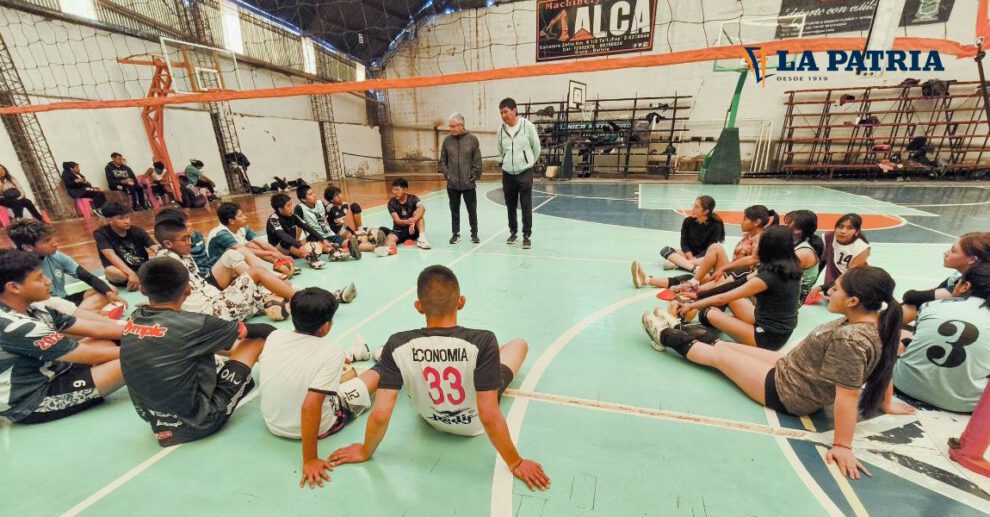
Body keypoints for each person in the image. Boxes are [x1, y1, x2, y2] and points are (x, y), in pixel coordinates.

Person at [644, 265, 914, 479]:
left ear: (853, 300)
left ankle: (665, 335)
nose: (830, 291)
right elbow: (885, 365)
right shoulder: (874, 323)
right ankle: (680, 330)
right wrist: (887, 403)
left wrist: (843, 446)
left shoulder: (851, 341)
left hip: (789, 392)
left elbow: (848, 394)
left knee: (721, 355)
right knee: (728, 348)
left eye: (837, 289)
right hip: (789, 368)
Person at [327, 265, 550, 492]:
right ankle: (493, 357)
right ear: (461, 302)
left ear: (418, 307)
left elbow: (381, 414)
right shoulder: (483, 340)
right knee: (519, 344)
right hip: (472, 425)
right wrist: (516, 462)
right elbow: (490, 415)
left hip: (430, 418)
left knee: (401, 363)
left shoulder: (397, 343)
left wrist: (366, 450)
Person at [120, 257, 276, 446]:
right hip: (199, 423)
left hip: (152, 418)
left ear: (142, 290)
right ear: (188, 289)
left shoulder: (135, 318)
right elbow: (261, 331)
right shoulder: (197, 324)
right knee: (254, 341)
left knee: (199, 346)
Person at [258, 287, 379, 488]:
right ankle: (384, 360)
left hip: (273, 423)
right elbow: (310, 406)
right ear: (326, 327)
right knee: (372, 378)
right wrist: (310, 459)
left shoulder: (275, 337)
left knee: (331, 374)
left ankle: (355, 356)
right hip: (309, 428)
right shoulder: (331, 351)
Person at [0, 249, 125, 424]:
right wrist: (153, 345)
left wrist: (155, 331)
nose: (48, 281)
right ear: (14, 287)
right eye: (38, 278)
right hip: (31, 401)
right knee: (133, 359)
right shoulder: (16, 326)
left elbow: (98, 329)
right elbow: (92, 355)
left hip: (53, 370)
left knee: (108, 341)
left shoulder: (36, 307)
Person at [155, 217, 315, 322]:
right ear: (168, 244)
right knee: (256, 274)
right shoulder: (165, 264)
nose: (189, 241)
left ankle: (287, 294)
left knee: (236, 259)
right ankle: (306, 300)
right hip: (212, 311)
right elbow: (158, 293)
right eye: (185, 239)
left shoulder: (181, 252)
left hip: (215, 296)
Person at [670, 225, 802, 350]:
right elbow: (735, 284)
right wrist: (698, 295)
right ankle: (730, 324)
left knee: (706, 313)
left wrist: (692, 305)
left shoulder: (768, 276)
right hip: (767, 322)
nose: (751, 246)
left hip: (768, 337)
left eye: (755, 243)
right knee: (722, 300)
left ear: (766, 248)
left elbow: (722, 298)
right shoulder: (782, 265)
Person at [892, 263, 990, 413]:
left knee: (905, 336)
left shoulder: (931, 306)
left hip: (905, 384)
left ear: (965, 286)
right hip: (965, 404)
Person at [633, 205, 777, 292]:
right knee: (701, 275)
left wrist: (723, 269)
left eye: (745, 219)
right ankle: (647, 280)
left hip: (741, 277)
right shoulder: (748, 236)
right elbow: (684, 242)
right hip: (729, 270)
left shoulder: (761, 239)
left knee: (715, 250)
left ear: (757, 222)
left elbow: (751, 261)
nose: (741, 222)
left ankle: (693, 280)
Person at [7, 219, 125, 315]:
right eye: (47, 241)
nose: (55, 243)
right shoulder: (16, 267)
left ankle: (82, 315)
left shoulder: (56, 256)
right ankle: (83, 317)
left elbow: (87, 277)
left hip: (64, 300)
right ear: (28, 247)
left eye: (52, 238)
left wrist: (109, 294)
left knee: (110, 289)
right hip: (43, 308)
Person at [901, 232, 990, 323]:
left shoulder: (972, 285)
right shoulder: (959, 276)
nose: (946, 253)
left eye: (953, 250)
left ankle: (888, 329)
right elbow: (935, 291)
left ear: (972, 260)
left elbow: (912, 297)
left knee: (920, 304)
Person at [207, 202, 299, 276]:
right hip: (221, 270)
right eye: (241, 216)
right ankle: (266, 275)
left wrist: (281, 256)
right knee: (246, 249)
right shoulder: (221, 234)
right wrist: (272, 253)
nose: (245, 217)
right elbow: (246, 252)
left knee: (253, 244)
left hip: (236, 261)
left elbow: (263, 244)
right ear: (231, 221)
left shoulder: (242, 227)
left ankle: (279, 264)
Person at [496, 98, 541, 249]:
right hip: (508, 173)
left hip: (525, 172)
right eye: (501, 112)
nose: (503, 115)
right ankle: (513, 232)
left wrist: (529, 163)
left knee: (526, 204)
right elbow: (500, 150)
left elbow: (536, 148)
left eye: (505, 112)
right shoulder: (501, 130)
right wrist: (506, 162)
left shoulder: (527, 126)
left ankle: (526, 235)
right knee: (510, 205)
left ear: (514, 111)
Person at [806, 213, 870, 304]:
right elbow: (819, 264)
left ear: (857, 232)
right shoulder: (828, 238)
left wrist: (821, 287)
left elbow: (848, 276)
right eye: (840, 227)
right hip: (831, 287)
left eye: (850, 228)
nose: (843, 231)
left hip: (853, 284)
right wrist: (808, 285)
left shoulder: (862, 247)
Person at [93, 202, 157, 290]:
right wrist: (131, 274)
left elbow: (154, 248)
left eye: (127, 217)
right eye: (121, 218)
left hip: (142, 268)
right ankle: (138, 281)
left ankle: (139, 281)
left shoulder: (137, 231)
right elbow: (110, 255)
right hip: (122, 273)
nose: (126, 221)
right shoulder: (101, 233)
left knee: (159, 264)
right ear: (109, 220)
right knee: (110, 271)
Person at [440, 112, 482, 245]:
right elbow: (442, 161)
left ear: (461, 125)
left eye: (453, 126)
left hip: (468, 183)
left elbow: (477, 160)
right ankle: (455, 234)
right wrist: (448, 174)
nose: (451, 129)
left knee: (472, 210)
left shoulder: (472, 139)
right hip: (452, 184)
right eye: (450, 126)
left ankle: (474, 234)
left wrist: (474, 175)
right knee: (454, 210)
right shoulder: (447, 141)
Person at [657, 195, 725, 271]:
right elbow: (684, 243)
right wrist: (690, 256)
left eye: (696, 207)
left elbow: (710, 248)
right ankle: (694, 268)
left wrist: (695, 258)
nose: (693, 209)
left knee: (713, 259)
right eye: (693, 206)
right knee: (665, 250)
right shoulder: (687, 221)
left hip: (703, 256)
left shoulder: (716, 226)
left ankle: (680, 264)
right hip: (688, 254)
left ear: (706, 211)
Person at [294, 184, 360, 259]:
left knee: (348, 242)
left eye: (313, 193)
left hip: (329, 234)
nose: (314, 195)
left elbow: (325, 219)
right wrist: (297, 241)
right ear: (303, 199)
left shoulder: (320, 203)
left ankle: (339, 250)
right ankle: (340, 250)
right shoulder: (300, 208)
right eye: (310, 194)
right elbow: (299, 225)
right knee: (317, 247)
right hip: (315, 237)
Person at [266, 193, 327, 269]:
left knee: (317, 241)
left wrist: (323, 239)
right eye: (288, 206)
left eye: (291, 204)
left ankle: (329, 249)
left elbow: (307, 227)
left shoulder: (292, 215)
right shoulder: (274, 219)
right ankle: (311, 258)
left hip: (292, 246)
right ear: (280, 209)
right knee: (286, 242)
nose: (292, 208)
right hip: (279, 249)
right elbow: (283, 236)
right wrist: (299, 246)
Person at [323, 186, 383, 252]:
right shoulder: (330, 209)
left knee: (377, 230)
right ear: (331, 200)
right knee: (354, 207)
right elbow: (322, 202)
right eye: (336, 195)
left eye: (339, 193)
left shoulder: (345, 205)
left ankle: (361, 232)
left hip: (350, 229)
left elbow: (350, 219)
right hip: (341, 232)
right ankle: (364, 240)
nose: (340, 196)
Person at [379, 177, 431, 250]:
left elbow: (422, 208)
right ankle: (390, 250)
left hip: (413, 230)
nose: (394, 192)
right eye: (393, 189)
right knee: (390, 238)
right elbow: (397, 220)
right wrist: (407, 221)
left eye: (397, 190)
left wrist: (414, 219)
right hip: (399, 231)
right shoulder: (391, 202)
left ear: (405, 190)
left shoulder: (413, 198)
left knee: (418, 213)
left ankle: (422, 239)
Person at [783, 210, 824, 301]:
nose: (784, 226)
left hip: (793, 300)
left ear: (798, 230)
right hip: (787, 291)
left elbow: (778, 276)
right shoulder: (791, 242)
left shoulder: (803, 252)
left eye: (788, 223)